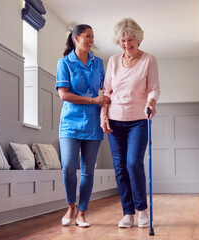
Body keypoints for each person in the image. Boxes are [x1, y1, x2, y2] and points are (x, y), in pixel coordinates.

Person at [100, 18, 160, 228]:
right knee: (120, 167)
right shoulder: (114, 60)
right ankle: (128, 213)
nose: (127, 44)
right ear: (118, 42)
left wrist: (151, 102)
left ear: (138, 38)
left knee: (133, 163)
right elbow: (107, 91)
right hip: (115, 120)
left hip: (139, 121)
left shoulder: (149, 60)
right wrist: (103, 116)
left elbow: (153, 88)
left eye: (131, 39)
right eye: (123, 40)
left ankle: (141, 209)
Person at [56, 24, 110, 228]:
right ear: (76, 38)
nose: (91, 40)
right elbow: (64, 95)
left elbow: (104, 90)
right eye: (88, 36)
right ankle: (71, 206)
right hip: (70, 124)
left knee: (88, 171)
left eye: (93, 37)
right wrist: (94, 101)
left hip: (94, 125)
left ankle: (82, 213)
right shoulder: (64, 63)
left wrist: (104, 110)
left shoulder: (98, 63)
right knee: (69, 167)